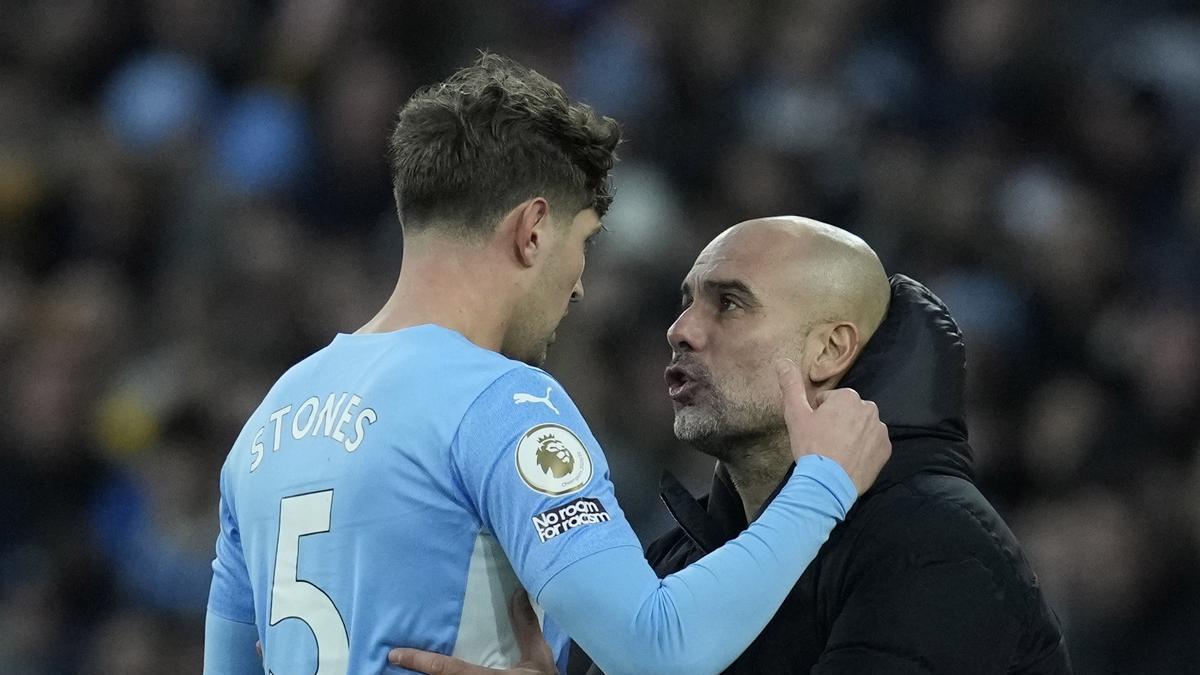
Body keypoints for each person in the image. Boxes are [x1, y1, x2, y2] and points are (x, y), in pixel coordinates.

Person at [202, 56, 892, 675]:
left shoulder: (271, 419)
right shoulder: (500, 404)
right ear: (532, 230)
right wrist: (822, 485)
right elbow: (661, 645)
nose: (580, 282)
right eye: (582, 242)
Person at [391, 216, 1071, 674]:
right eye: (688, 300)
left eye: (730, 303)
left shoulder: (936, 546)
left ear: (831, 348)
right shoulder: (677, 563)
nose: (681, 328)